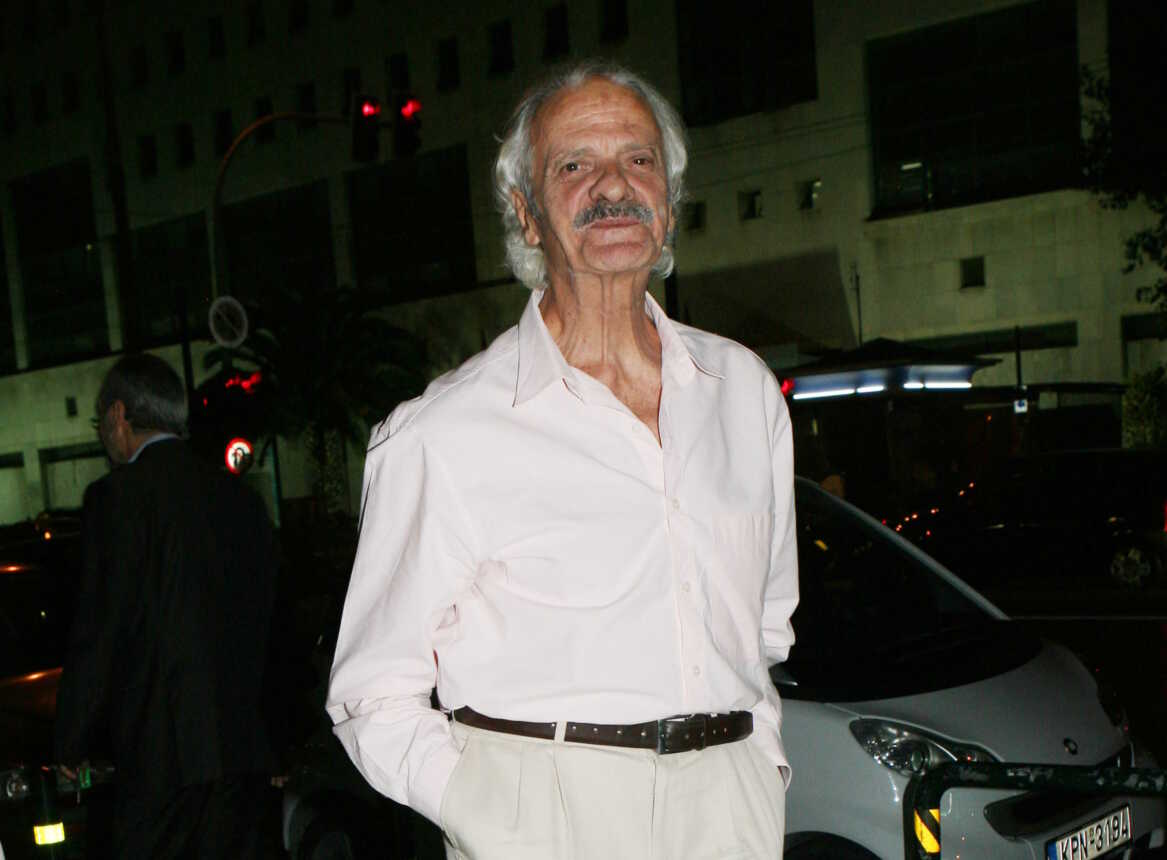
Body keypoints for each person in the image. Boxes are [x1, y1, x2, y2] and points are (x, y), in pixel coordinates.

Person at [327, 60, 798, 860]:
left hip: (730, 809)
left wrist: (759, 768)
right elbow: (371, 692)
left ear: (669, 199)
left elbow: (764, 629)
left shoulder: (743, 391)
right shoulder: (445, 433)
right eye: (574, 165)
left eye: (639, 159)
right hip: (547, 819)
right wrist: (491, 810)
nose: (614, 185)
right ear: (527, 213)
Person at [54, 353, 279, 859]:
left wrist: (72, 736)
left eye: (99, 422)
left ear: (118, 415)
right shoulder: (240, 499)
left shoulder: (117, 498)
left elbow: (102, 624)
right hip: (242, 756)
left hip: (163, 756)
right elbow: (270, 618)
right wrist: (279, 734)